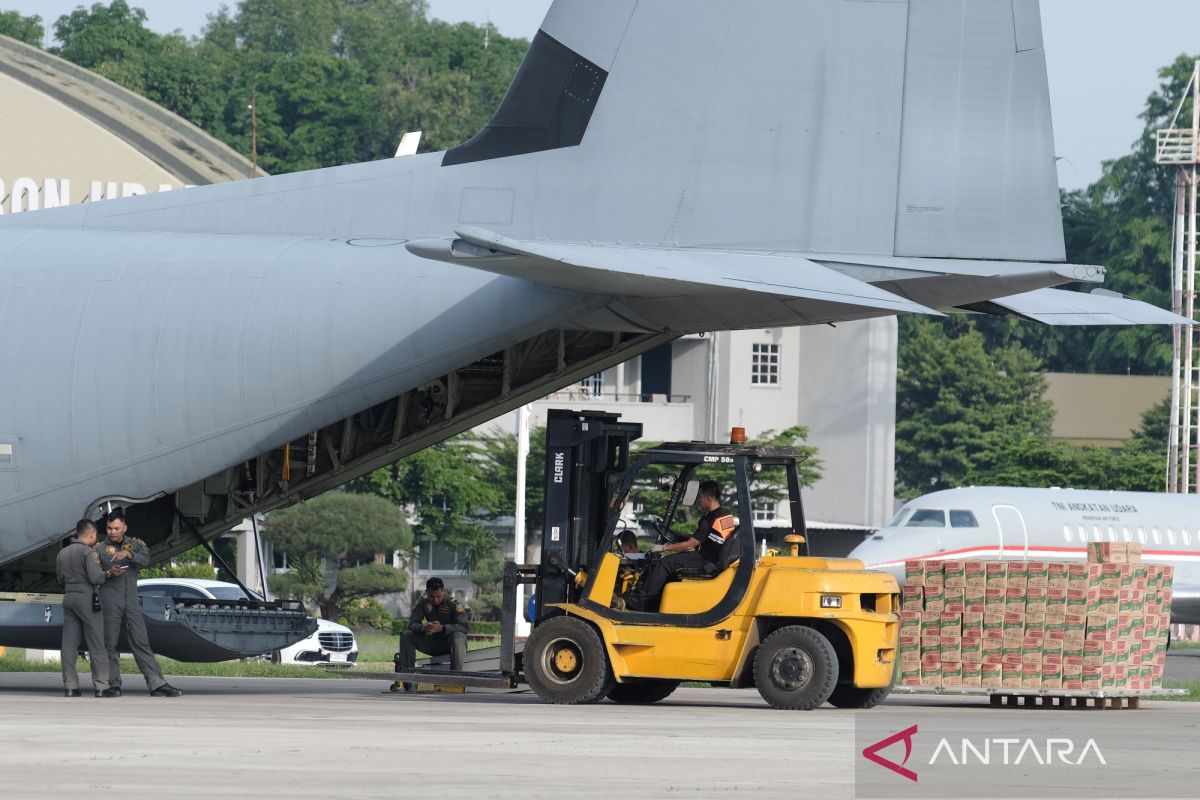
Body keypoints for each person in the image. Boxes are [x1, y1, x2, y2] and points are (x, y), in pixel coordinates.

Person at [94, 508, 182, 697]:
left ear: (124, 527)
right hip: (110, 601)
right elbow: (92, 576)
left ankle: (157, 684)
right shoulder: (99, 549)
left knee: (141, 642)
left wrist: (129, 556)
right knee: (109, 643)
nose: (113, 532)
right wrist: (109, 573)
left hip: (131, 601)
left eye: (117, 528)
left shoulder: (135, 544)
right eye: (110, 528)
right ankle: (113, 685)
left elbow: (147, 560)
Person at [631, 480, 736, 612]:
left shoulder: (709, 520)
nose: (698, 500)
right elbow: (707, 537)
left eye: (700, 497)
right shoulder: (726, 514)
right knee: (674, 566)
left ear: (708, 498)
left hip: (705, 560)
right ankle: (657, 603)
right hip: (714, 556)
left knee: (664, 563)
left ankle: (641, 601)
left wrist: (664, 547)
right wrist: (679, 537)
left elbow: (691, 544)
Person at [56, 520, 118, 697]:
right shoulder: (88, 552)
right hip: (87, 600)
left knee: (68, 644)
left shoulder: (62, 552)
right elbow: (96, 578)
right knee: (96, 642)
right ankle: (101, 687)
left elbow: (60, 579)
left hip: (69, 598)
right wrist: (109, 573)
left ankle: (70, 687)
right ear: (91, 535)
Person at [394, 578, 469, 690]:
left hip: (450, 644)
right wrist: (423, 628)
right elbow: (412, 624)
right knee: (407, 635)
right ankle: (407, 679)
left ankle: (455, 680)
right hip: (432, 643)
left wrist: (443, 628)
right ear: (427, 592)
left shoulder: (455, 604)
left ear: (443, 591)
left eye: (438, 596)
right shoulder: (422, 602)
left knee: (459, 636)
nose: (435, 600)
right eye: (431, 597)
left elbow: (464, 627)